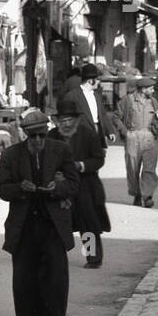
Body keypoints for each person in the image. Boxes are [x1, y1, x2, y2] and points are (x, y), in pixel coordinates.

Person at [0, 108, 79, 316]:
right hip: (24, 223)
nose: (39, 141)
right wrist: (20, 189)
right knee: (26, 274)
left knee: (55, 273)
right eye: (33, 137)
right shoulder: (12, 155)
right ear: (25, 136)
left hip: (53, 222)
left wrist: (57, 189)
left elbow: (74, 184)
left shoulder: (61, 151)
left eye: (42, 135)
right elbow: (2, 189)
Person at [55, 96, 111, 268]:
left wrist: (81, 165)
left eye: (70, 120)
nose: (66, 124)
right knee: (55, 223)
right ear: (56, 121)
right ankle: (54, 258)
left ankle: (93, 258)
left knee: (88, 224)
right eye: (62, 120)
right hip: (60, 187)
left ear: (77, 120)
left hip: (85, 185)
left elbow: (98, 159)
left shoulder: (89, 135)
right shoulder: (51, 136)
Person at [117, 75, 158, 208]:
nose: (153, 90)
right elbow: (116, 117)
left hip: (149, 137)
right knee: (132, 168)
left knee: (150, 168)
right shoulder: (127, 100)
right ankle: (136, 194)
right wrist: (125, 132)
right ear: (143, 89)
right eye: (151, 88)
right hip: (133, 136)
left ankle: (147, 196)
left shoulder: (153, 101)